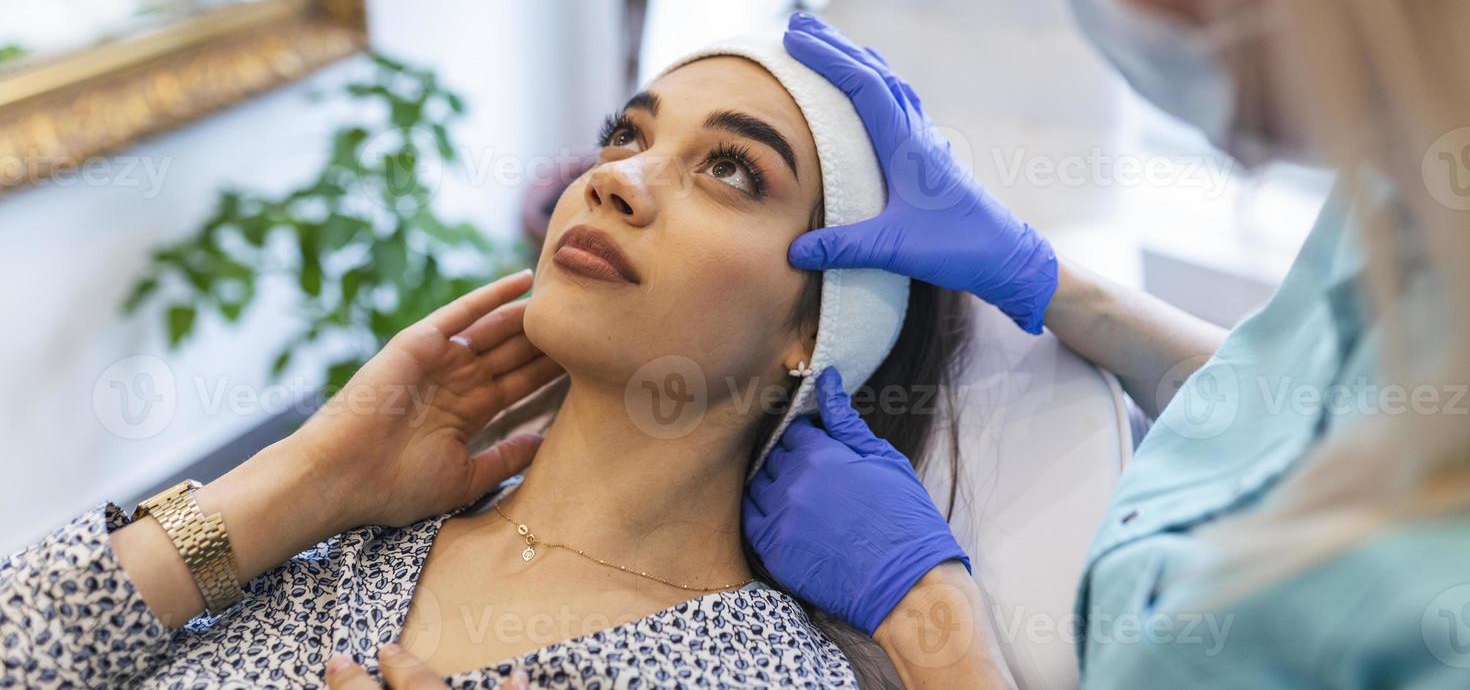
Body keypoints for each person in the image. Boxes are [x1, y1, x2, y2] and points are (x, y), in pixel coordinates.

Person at [744, 0, 1470, 686]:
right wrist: (1051, 283)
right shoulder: (1411, 183)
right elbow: (1305, 416)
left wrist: (937, 626)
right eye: (624, 131)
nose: (615, 185)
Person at [0, 36, 993, 688]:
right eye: (627, 135)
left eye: (732, 169)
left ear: (812, 334)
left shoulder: (766, 676)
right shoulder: (345, 542)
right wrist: (306, 478)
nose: (618, 179)